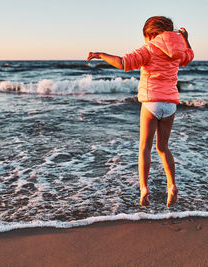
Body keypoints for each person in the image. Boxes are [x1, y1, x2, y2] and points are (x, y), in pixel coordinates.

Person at [87, 16, 194, 207]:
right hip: (170, 105)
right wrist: (186, 38)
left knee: (145, 147)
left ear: (152, 33)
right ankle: (172, 185)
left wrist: (101, 54)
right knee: (163, 148)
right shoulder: (179, 50)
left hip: (151, 103)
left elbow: (123, 63)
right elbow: (189, 57)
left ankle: (144, 188)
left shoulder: (150, 48)